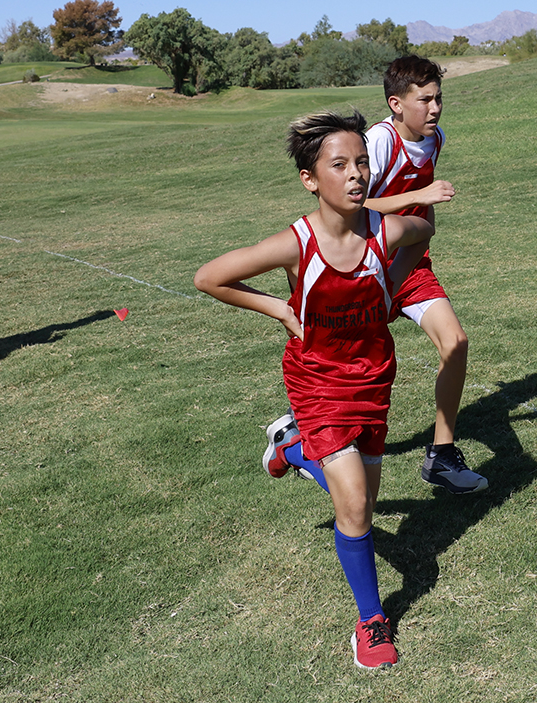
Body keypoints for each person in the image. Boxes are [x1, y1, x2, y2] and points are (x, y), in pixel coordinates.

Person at [194, 110, 434, 669]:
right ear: (310, 178)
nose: (356, 175)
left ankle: (290, 448)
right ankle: (371, 625)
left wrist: (391, 288)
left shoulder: (386, 230)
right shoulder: (295, 243)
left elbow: (422, 231)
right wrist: (278, 306)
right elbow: (209, 277)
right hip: (317, 381)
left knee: (364, 505)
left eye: (363, 163)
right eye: (340, 165)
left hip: (373, 375)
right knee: (353, 505)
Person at [364, 55, 486, 494]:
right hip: (364, 272)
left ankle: (441, 455)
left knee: (455, 342)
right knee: (348, 371)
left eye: (439, 99)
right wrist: (420, 194)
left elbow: (425, 203)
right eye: (425, 100)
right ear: (396, 103)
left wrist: (425, 221)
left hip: (411, 265)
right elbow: (349, 209)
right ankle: (301, 428)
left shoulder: (434, 140)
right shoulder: (376, 142)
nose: (435, 109)